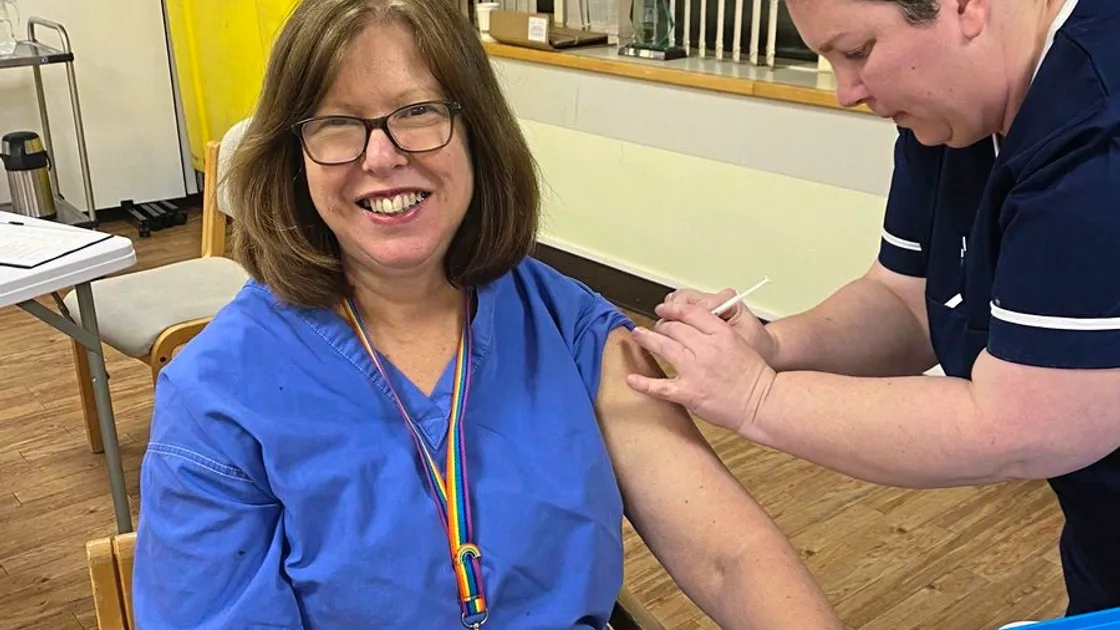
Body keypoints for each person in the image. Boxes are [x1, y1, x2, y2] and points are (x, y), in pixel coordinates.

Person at [130, 0, 842, 628]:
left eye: (418, 113)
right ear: (295, 158)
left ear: (477, 131)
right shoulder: (217, 395)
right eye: (338, 125)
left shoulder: (573, 332)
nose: (382, 157)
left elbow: (733, 556)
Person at [626, 0, 1120, 618]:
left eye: (858, 52)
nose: (845, 92)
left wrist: (758, 399)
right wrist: (775, 347)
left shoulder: (1097, 130)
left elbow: (1024, 425)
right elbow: (906, 300)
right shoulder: (954, 110)